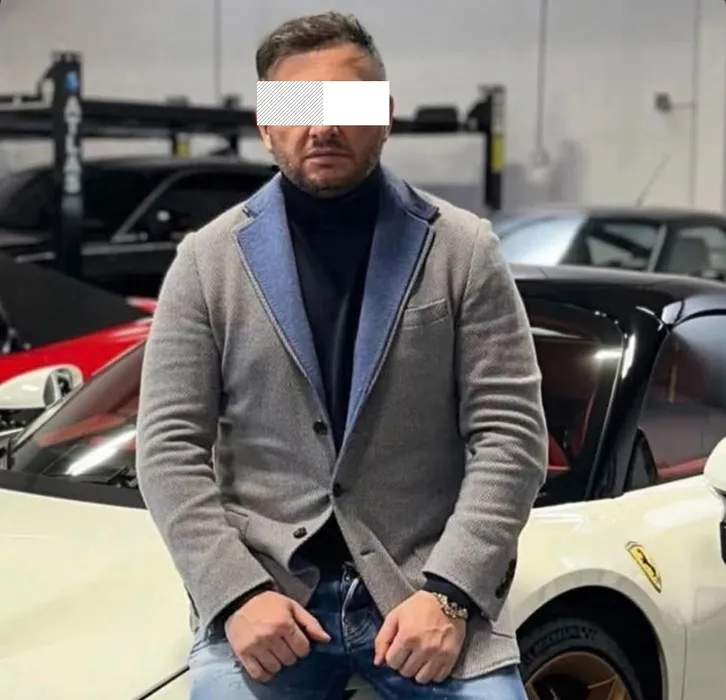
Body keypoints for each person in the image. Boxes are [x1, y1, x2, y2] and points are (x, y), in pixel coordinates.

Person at [136, 11, 547, 700]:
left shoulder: (463, 249)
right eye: (298, 105)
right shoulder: (207, 261)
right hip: (273, 595)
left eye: (346, 104)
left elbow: (510, 436)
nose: (322, 125)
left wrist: (450, 594)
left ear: (384, 115)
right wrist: (236, 595)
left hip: (421, 591)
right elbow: (168, 449)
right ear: (266, 124)